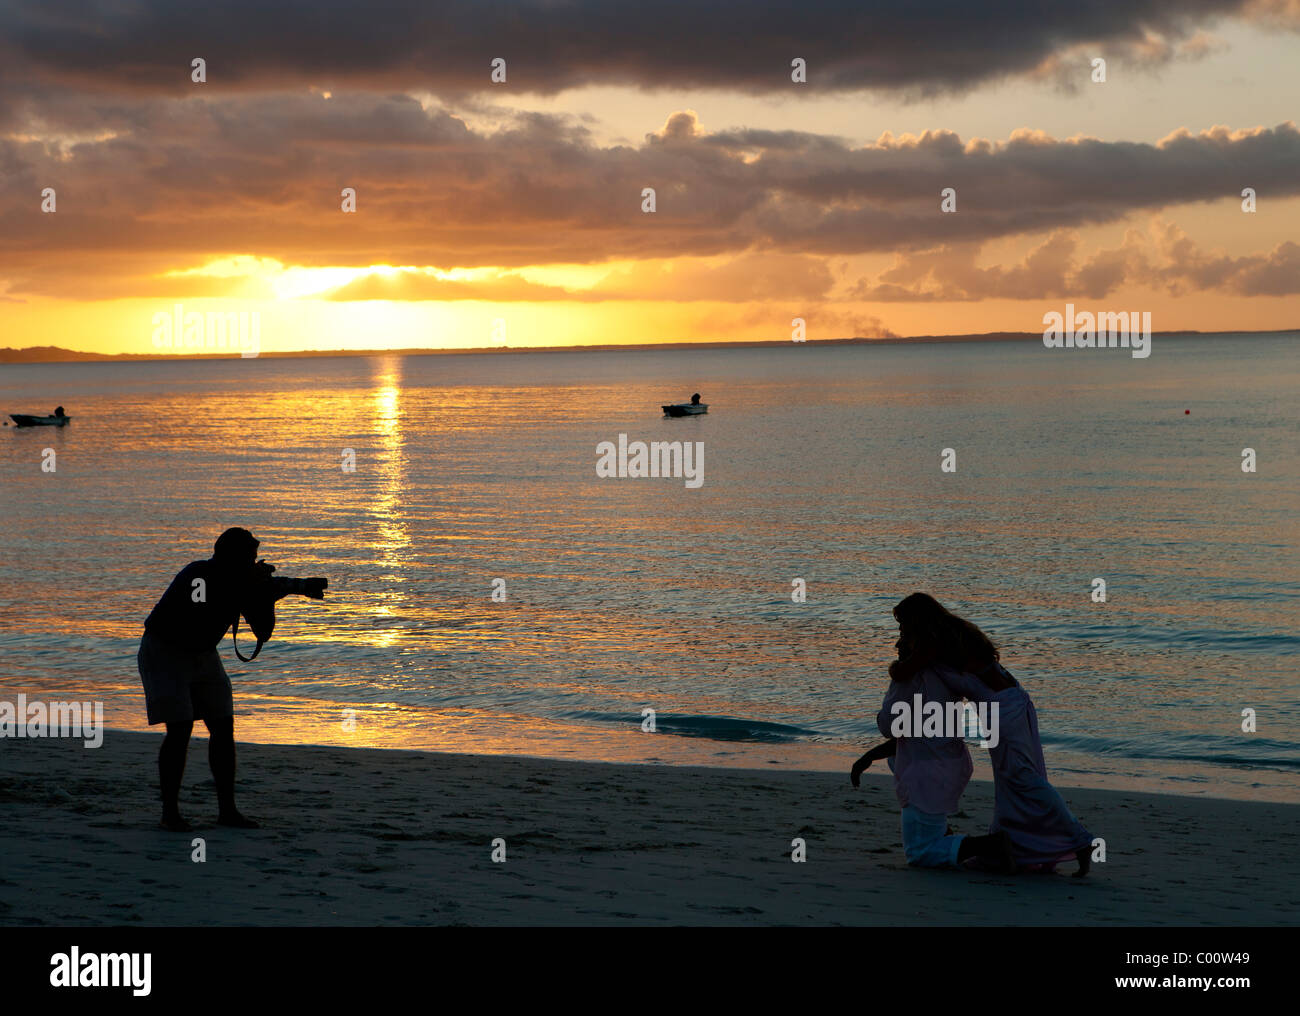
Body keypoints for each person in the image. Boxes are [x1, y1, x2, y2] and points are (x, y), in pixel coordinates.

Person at [889, 593, 1095, 876]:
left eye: (903, 627)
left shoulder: (932, 644)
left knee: (1023, 778)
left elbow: (902, 672)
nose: (900, 634)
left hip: (1003, 711)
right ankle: (1018, 846)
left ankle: (1079, 840)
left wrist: (896, 664)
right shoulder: (951, 633)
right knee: (1012, 783)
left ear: (916, 623)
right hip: (1008, 704)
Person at [137, 527, 299, 831]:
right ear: (230, 556)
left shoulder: (242, 582)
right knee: (180, 728)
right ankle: (169, 814)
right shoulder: (198, 574)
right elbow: (202, 608)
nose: (253, 563)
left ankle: (228, 812)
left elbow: (263, 633)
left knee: (223, 726)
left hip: (203, 652)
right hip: (165, 649)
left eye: (254, 558)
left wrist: (267, 598)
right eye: (248, 558)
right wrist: (246, 587)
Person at [852, 605, 1015, 873]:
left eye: (903, 635)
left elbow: (889, 725)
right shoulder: (945, 671)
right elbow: (919, 729)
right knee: (924, 828)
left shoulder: (912, 678)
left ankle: (992, 845)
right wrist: (870, 756)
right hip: (950, 763)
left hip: (926, 772)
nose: (896, 642)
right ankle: (950, 836)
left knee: (920, 853)